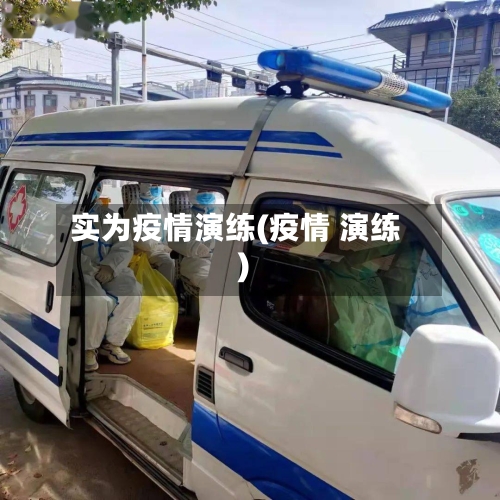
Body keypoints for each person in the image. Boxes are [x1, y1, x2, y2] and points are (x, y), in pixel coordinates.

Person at [83, 182, 142, 372]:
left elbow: (125, 246)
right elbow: (65, 251)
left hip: (110, 269)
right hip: (81, 271)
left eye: (97, 188)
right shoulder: (66, 217)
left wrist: (110, 267)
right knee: (96, 300)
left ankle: (112, 343)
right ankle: (88, 348)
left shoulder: (110, 216)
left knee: (132, 291)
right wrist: (92, 269)